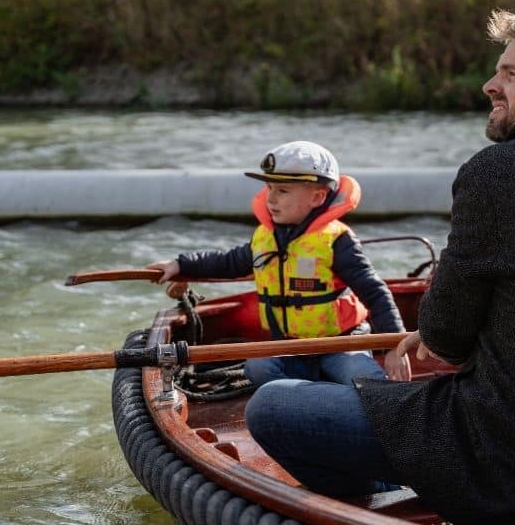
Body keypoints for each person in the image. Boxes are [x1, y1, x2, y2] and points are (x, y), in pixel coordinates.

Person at [243, 5, 515, 525]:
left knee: (273, 404)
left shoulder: (495, 172)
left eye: (512, 74)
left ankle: (389, 499)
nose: (489, 84)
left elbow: (445, 339)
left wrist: (440, 331)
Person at [147, 140, 409, 385]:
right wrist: (179, 265)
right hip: (291, 347)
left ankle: (367, 401)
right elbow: (228, 262)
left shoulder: (338, 241)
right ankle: (311, 395)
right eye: (269, 188)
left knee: (362, 376)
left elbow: (375, 293)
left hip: (340, 345)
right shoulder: (265, 237)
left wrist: (395, 346)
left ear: (317, 198)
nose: (271, 199)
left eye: (282, 191)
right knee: (258, 368)